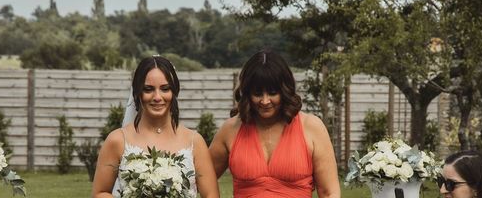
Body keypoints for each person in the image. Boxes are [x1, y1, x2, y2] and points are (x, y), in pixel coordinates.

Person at [209, 49, 340, 198]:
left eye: (272, 93)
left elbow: (329, 193)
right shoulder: (230, 129)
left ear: (284, 91)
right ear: (247, 93)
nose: (265, 101)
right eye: (257, 94)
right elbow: (200, 180)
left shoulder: (312, 127)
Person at [91, 56, 219, 198]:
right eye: (148, 89)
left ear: (174, 91)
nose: (157, 97)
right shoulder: (117, 140)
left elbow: (211, 195)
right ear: (138, 92)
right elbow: (100, 193)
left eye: (165, 89)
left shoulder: (195, 141)